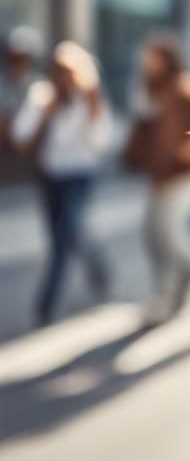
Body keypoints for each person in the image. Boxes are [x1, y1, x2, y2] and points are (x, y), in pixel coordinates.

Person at [10, 40, 114, 326]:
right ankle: (99, 268)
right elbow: (20, 136)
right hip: (50, 178)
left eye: (68, 71)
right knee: (68, 234)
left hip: (79, 175)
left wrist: (93, 111)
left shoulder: (89, 97)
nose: (62, 77)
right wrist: (44, 114)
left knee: (62, 238)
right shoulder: (41, 96)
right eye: (57, 71)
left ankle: (45, 306)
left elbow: (102, 142)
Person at [122, 32, 190, 324]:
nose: (149, 61)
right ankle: (178, 280)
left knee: (166, 233)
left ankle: (178, 282)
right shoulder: (150, 89)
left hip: (179, 175)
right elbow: (144, 130)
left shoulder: (185, 87)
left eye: (155, 55)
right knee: (152, 233)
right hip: (158, 174)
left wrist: (188, 155)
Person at [0, 25, 44, 162]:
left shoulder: (40, 85)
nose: (19, 62)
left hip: (32, 163)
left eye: (24, 58)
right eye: (15, 57)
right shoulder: (2, 82)